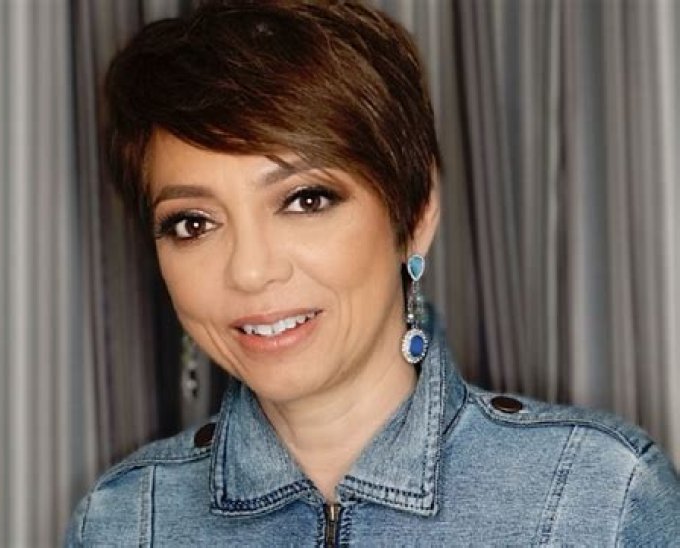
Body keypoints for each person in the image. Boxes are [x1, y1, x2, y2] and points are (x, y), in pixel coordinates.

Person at [65, 1, 680, 545]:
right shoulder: (126, 521)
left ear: (414, 214)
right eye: (193, 223)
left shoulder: (597, 496)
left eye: (305, 200)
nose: (250, 272)